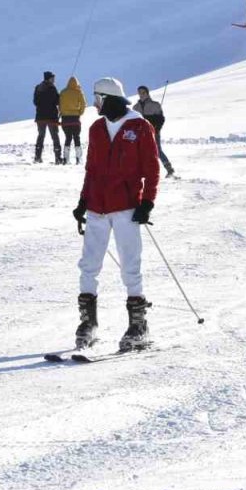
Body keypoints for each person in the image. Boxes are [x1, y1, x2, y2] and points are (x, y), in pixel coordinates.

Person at [71, 77, 161, 352]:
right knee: (88, 266)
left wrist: (147, 203)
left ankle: (139, 326)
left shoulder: (139, 126)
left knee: (130, 266)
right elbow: (91, 169)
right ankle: (89, 324)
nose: (94, 103)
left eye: (97, 98)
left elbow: (151, 168)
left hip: (125, 208)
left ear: (108, 98)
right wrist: (83, 201)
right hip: (97, 207)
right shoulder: (97, 128)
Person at [134, 85, 175, 177]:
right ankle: (141, 171)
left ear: (147, 93)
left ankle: (169, 169)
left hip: (154, 132)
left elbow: (161, 119)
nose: (141, 94)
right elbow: (133, 121)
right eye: (139, 93)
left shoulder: (155, 105)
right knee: (139, 151)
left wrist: (157, 129)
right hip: (140, 133)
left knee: (157, 150)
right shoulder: (135, 107)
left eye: (143, 92)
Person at [33, 71, 62, 164]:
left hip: (40, 117)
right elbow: (57, 101)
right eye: (53, 78)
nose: (54, 80)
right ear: (49, 78)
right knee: (55, 137)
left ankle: (37, 157)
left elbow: (35, 102)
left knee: (41, 136)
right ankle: (58, 158)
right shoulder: (52, 88)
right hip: (51, 117)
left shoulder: (38, 88)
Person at [59, 76, 87, 165]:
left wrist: (63, 112)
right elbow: (83, 104)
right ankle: (79, 159)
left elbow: (59, 105)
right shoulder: (79, 92)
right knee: (76, 137)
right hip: (75, 118)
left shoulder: (63, 92)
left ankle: (66, 159)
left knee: (68, 137)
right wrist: (79, 113)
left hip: (65, 119)